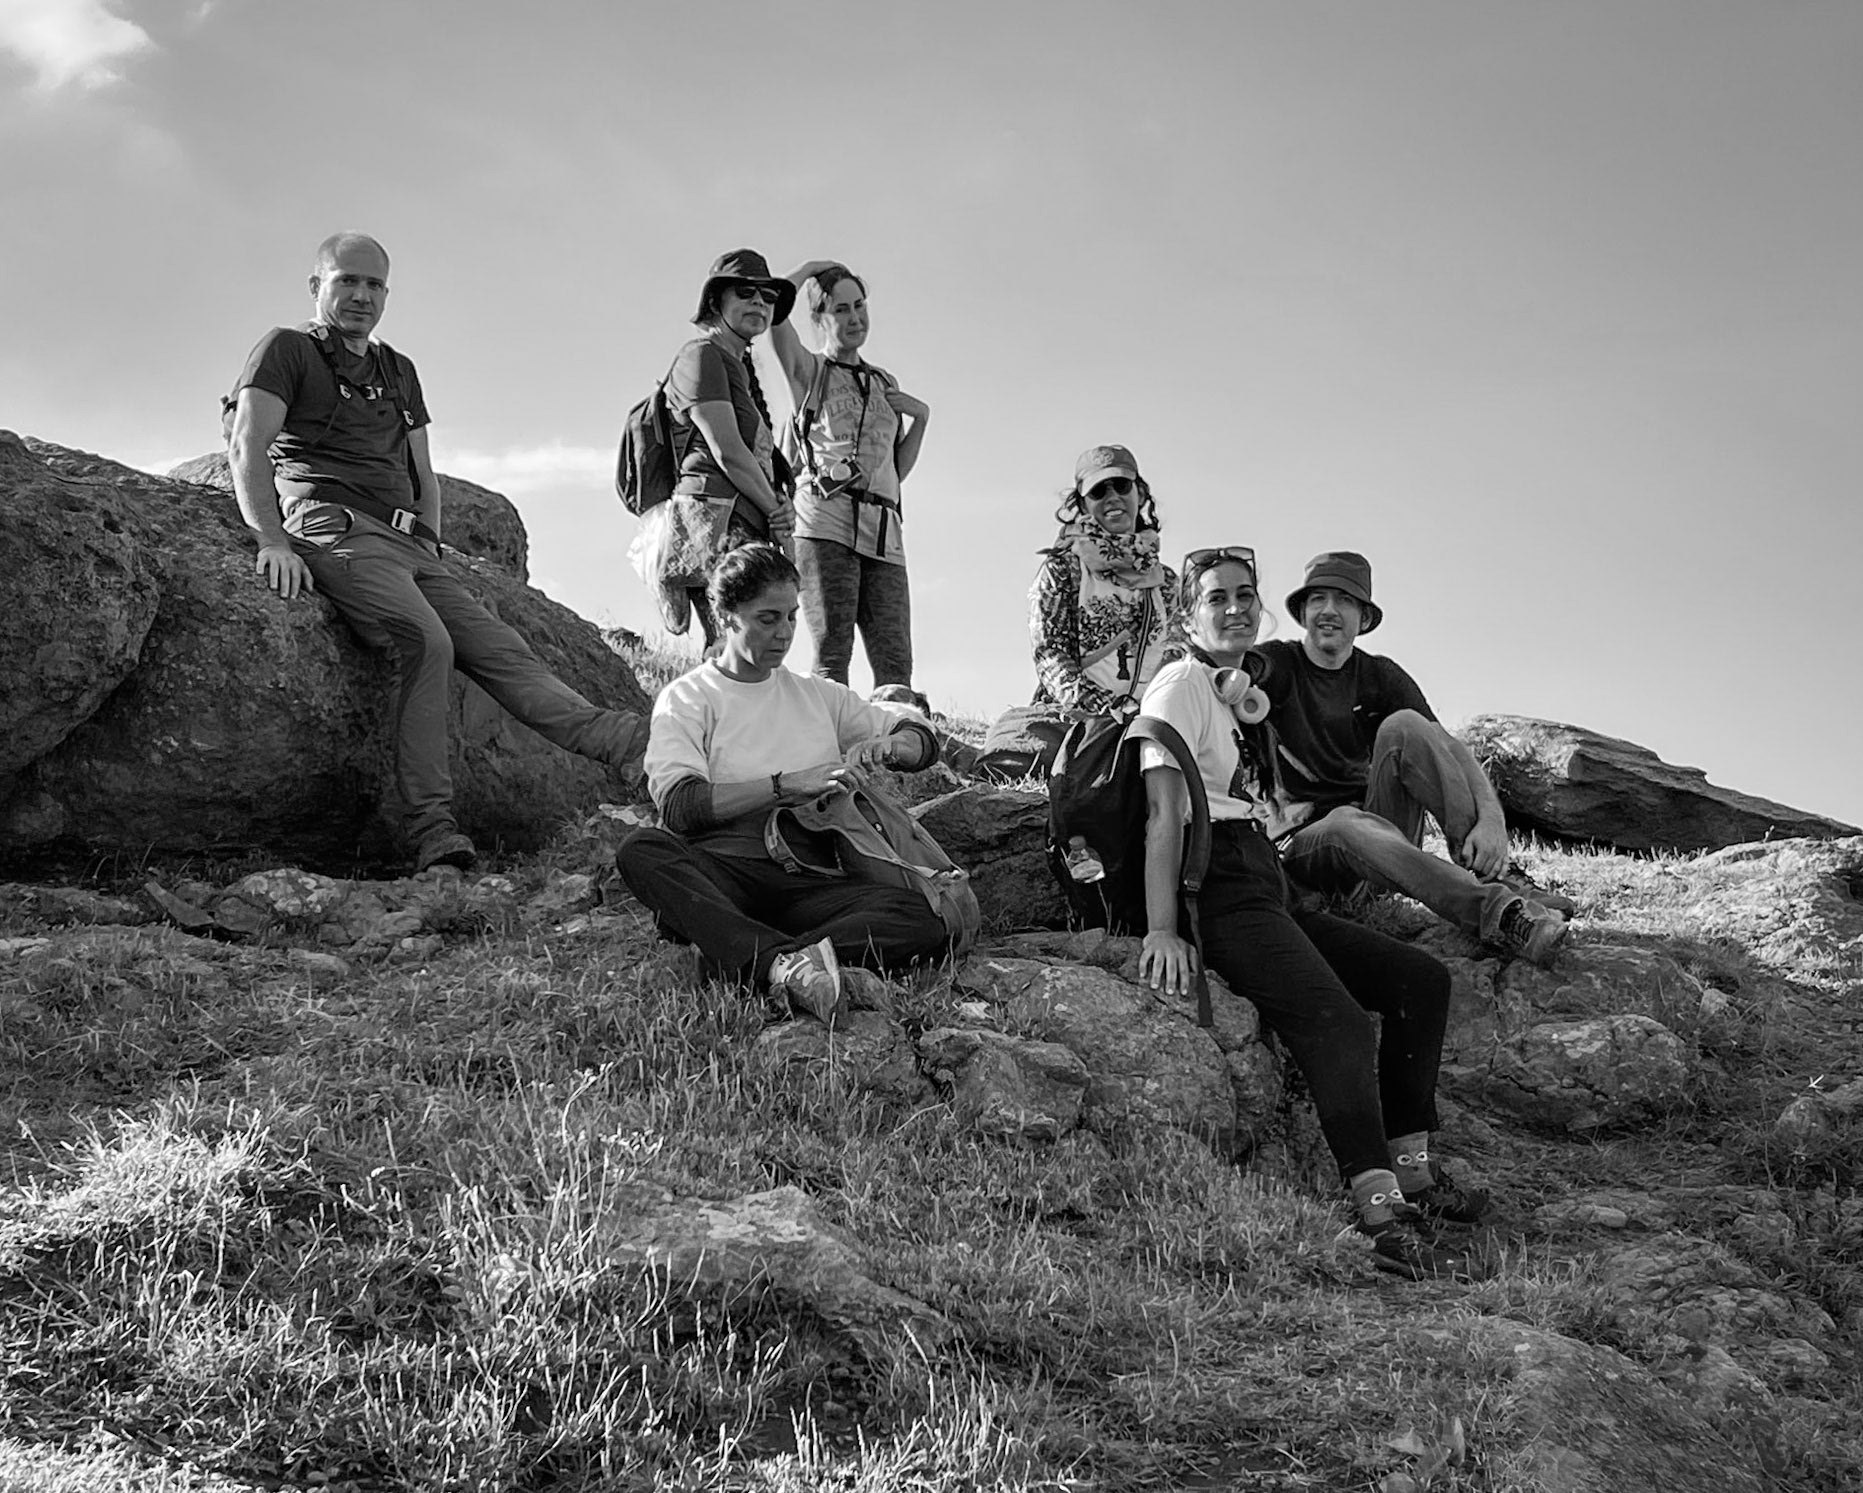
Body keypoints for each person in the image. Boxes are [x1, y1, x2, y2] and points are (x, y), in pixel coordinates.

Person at [226, 231, 646, 874]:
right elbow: (246, 445)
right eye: (346, 281)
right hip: (334, 529)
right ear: (317, 287)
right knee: (427, 643)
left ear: (387, 294)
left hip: (409, 544)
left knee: (502, 648)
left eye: (373, 285)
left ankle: (632, 743)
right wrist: (270, 540)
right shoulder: (285, 350)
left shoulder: (398, 369)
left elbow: (424, 467)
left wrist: (429, 538)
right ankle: (432, 832)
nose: (361, 296)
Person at [1137, 546, 1486, 1278]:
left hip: (1265, 877)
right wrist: (1163, 927)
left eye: (1244, 595)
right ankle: (1379, 1206)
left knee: (1420, 981)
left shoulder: (1227, 692)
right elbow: (1162, 813)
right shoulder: (1178, 684)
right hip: (1219, 888)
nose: (1233, 608)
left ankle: (1413, 1166)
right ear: (1184, 612)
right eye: (1215, 598)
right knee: (1334, 1021)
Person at [617, 544, 951, 1021]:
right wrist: (786, 785)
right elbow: (680, 806)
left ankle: (757, 957)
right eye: (768, 618)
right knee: (642, 850)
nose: (785, 633)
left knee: (920, 917)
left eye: (792, 617)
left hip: (810, 883)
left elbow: (918, 740)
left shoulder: (818, 695)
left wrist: (896, 747)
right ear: (727, 617)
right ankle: (776, 960)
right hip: (725, 873)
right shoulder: (688, 698)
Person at [1253, 552, 1570, 966]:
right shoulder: (1277, 663)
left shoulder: (1380, 675)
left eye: (1344, 600)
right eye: (1318, 599)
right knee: (1345, 823)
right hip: (1310, 854)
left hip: (1384, 852)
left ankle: (1494, 871)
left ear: (1363, 618)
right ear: (1302, 612)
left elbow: (1449, 748)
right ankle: (1501, 916)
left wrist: (1492, 820)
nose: (1329, 610)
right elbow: (1232, 672)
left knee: (1407, 725)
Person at [770, 261, 929, 696]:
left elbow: (894, 473)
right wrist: (810, 269)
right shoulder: (809, 371)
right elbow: (775, 312)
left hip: (884, 532)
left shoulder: (884, 382)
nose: (855, 318)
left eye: (860, 306)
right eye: (841, 309)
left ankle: (896, 754)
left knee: (896, 663)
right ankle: (827, 750)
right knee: (832, 656)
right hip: (826, 522)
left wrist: (921, 419)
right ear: (820, 318)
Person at [662, 249, 798, 651]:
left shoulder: (737, 365)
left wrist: (777, 507)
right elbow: (728, 452)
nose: (759, 302)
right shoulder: (701, 355)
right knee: (733, 644)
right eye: (745, 292)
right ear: (715, 302)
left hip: (738, 520)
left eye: (768, 297)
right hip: (715, 522)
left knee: (744, 645)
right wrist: (775, 510)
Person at [1029, 445, 1178, 716]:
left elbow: (1178, 655)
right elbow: (1050, 655)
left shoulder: (1166, 583)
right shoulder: (1062, 570)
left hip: (1153, 721)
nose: (1112, 498)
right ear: (1083, 504)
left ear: (1140, 493)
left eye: (1121, 486)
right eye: (1098, 491)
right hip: (1079, 721)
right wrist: (1108, 709)